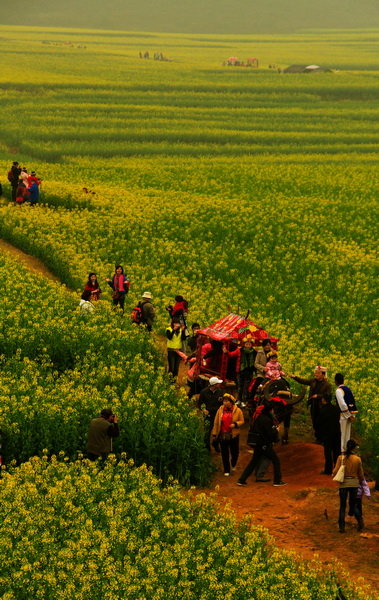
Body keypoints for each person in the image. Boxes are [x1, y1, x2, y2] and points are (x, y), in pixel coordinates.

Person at [237, 401, 287, 487]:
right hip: (263, 444)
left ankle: (242, 480)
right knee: (276, 460)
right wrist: (276, 430)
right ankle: (277, 481)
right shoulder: (266, 420)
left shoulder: (259, 417)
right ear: (270, 410)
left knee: (253, 461)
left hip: (257, 443)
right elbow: (270, 433)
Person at [289, 366, 332, 442]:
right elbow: (303, 381)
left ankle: (321, 439)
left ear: (323, 374)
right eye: (315, 372)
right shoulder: (313, 381)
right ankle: (318, 437)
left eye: (318, 373)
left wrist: (318, 396)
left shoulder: (327, 385)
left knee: (321, 422)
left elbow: (328, 396)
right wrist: (295, 377)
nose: (316, 374)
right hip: (314, 405)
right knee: (314, 421)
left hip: (322, 406)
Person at [332, 439, 364, 533]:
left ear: (346, 447)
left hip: (344, 484)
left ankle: (342, 527)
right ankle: (360, 522)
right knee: (353, 504)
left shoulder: (341, 458)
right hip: (354, 484)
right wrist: (361, 482)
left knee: (342, 505)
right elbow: (361, 474)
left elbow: (335, 471)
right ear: (354, 448)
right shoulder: (357, 459)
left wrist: (333, 474)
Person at [212, 394, 244, 476]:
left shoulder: (238, 410)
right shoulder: (220, 410)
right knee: (224, 453)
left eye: (226, 401)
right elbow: (216, 422)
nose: (224, 403)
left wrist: (235, 424)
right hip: (223, 434)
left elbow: (242, 421)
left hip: (233, 435)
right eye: (224, 401)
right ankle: (226, 470)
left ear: (231, 402)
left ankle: (233, 463)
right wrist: (215, 433)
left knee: (234, 452)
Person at [223, 335, 256, 406]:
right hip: (241, 371)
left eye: (249, 344)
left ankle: (244, 401)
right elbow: (231, 355)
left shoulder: (254, 352)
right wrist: (226, 352)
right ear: (244, 344)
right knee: (240, 386)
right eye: (246, 344)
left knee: (246, 387)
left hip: (249, 371)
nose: (248, 345)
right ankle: (239, 400)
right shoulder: (239, 350)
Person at [315, 395, 341, 475]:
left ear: (324, 400)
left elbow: (319, 423)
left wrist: (319, 435)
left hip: (327, 434)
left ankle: (328, 470)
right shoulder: (336, 409)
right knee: (336, 451)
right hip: (337, 433)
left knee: (328, 452)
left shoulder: (323, 410)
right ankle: (337, 470)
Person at [198, 376, 224, 451]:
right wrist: (204, 410)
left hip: (217, 413)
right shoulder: (203, 392)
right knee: (207, 430)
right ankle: (206, 446)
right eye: (218, 383)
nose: (219, 384)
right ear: (214, 385)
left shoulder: (220, 391)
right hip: (208, 414)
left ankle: (215, 444)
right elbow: (200, 403)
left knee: (219, 430)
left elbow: (222, 403)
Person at [334, 373, 358, 452]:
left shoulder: (338, 390)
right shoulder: (348, 389)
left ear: (336, 381)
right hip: (349, 415)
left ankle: (342, 452)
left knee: (342, 434)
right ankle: (347, 450)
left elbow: (342, 404)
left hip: (343, 415)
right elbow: (352, 402)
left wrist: (347, 415)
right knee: (347, 434)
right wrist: (352, 415)